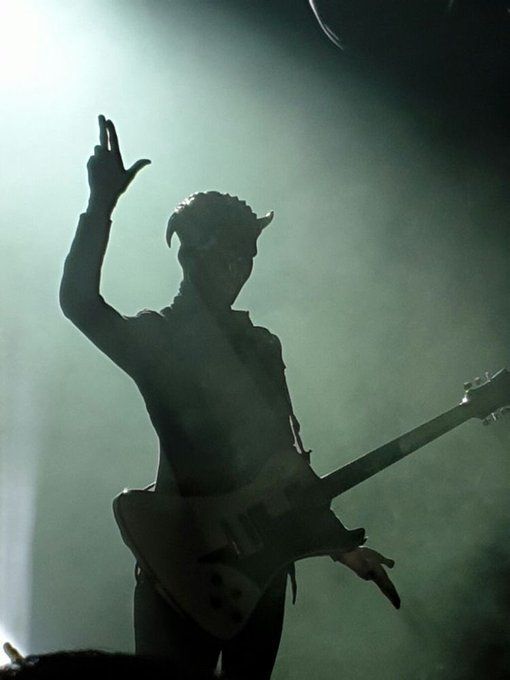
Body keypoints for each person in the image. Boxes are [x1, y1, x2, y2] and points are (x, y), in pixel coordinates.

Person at [60, 116, 399, 679]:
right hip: (182, 568)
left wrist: (338, 544)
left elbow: (281, 462)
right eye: (227, 253)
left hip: (264, 574)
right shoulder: (160, 339)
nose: (240, 267)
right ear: (191, 255)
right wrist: (100, 206)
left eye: (247, 255)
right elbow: (79, 302)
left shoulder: (262, 346)